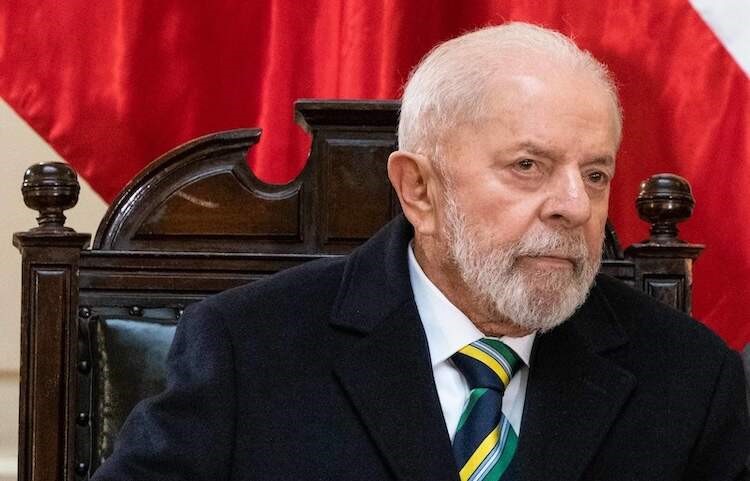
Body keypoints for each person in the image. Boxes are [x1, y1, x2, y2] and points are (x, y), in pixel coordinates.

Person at [92, 22, 749, 481]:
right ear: (419, 189)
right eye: (528, 166)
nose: (574, 205)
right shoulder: (249, 347)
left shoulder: (688, 376)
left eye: (596, 174)